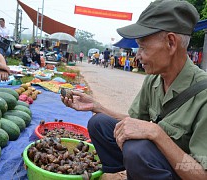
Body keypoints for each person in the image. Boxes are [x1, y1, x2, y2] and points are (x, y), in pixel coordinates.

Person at [61, 0, 207, 179]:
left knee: (137, 149)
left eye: (143, 48)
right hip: (155, 161)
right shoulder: (154, 79)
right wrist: (97, 107)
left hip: (184, 171)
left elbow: (202, 175)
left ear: (171, 43)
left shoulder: (203, 95)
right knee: (99, 123)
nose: (137, 56)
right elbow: (134, 122)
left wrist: (157, 133)